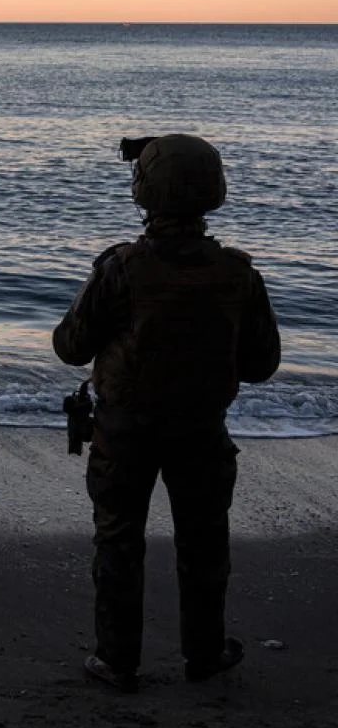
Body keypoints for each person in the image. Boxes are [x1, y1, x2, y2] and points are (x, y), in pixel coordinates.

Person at [54, 134, 281, 693]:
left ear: (145, 193)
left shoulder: (121, 268)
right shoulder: (237, 273)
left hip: (125, 428)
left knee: (117, 539)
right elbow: (262, 364)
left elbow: (70, 345)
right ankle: (203, 654)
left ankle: (117, 659)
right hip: (202, 430)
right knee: (204, 544)